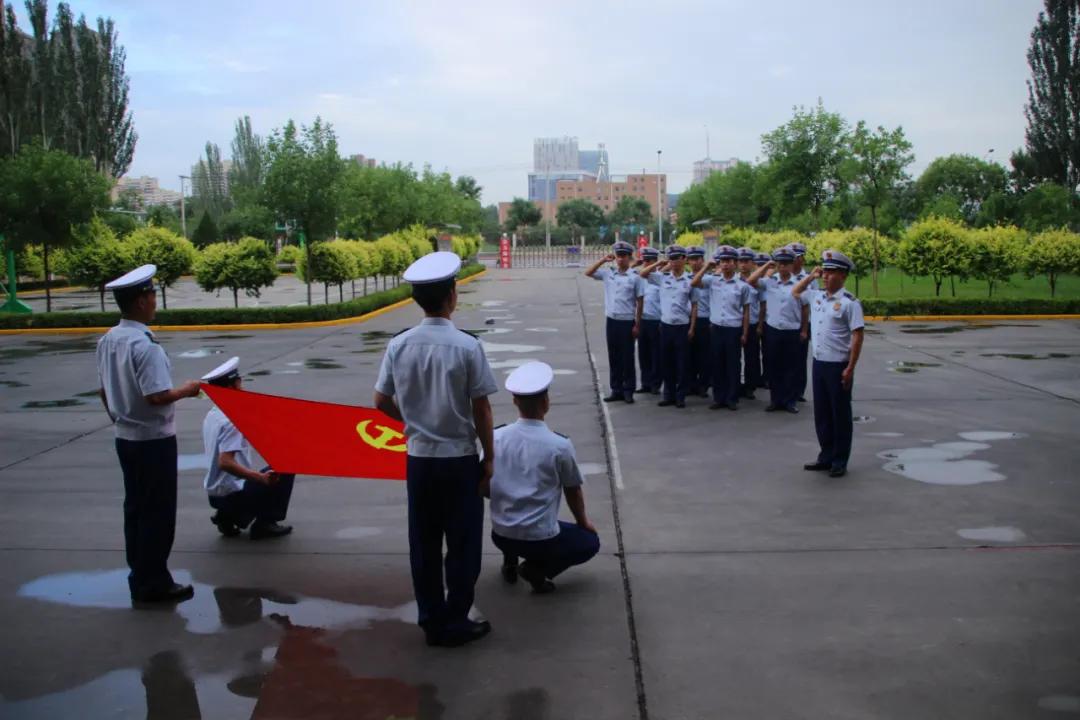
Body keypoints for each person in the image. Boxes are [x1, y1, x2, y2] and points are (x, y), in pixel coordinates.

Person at [373, 251, 498, 648]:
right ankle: (456, 618)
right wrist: (489, 457)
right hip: (459, 460)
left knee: (423, 542)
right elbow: (481, 406)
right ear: (452, 296)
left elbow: (380, 402)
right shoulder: (466, 347)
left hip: (420, 460)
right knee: (462, 544)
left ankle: (431, 619)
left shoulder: (399, 345)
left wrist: (411, 425)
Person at [96, 264, 201, 604]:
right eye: (153, 295)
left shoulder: (108, 340)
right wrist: (187, 390)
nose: (156, 301)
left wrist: (119, 417)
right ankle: (155, 581)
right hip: (153, 441)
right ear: (141, 301)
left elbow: (103, 391)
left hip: (125, 438)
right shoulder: (146, 346)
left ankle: (139, 576)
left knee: (136, 509)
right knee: (158, 512)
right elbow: (156, 396)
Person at [490, 361, 600, 594]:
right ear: (546, 403)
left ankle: (510, 560)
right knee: (590, 543)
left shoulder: (496, 437)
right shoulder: (559, 445)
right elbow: (573, 489)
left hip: (500, 534)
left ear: (514, 401)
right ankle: (536, 570)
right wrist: (583, 523)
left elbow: (484, 483)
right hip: (539, 537)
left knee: (513, 506)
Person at [201, 356, 296, 539]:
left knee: (273, 465)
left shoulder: (213, 414)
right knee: (287, 464)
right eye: (239, 383)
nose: (242, 386)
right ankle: (265, 522)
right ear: (231, 386)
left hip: (215, 494)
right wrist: (260, 478)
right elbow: (225, 462)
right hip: (233, 493)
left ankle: (226, 515)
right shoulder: (232, 419)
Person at [793, 250, 865, 478]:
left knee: (840, 414)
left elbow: (857, 336)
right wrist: (811, 276)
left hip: (838, 365)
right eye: (824, 272)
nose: (825, 276)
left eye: (831, 272)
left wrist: (850, 368)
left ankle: (840, 460)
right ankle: (826, 455)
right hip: (819, 363)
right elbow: (795, 292)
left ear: (843, 276)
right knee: (822, 413)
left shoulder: (849, 303)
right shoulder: (816, 296)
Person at [746, 246, 809, 414]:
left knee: (790, 367)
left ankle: (789, 401)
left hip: (792, 329)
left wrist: (804, 330)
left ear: (792, 264)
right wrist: (767, 265)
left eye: (787, 264)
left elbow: (805, 308)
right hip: (773, 329)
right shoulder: (770, 282)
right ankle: (775, 400)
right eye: (780, 263)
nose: (783, 267)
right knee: (774, 366)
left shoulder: (799, 284)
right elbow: (751, 281)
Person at [691, 245, 750, 410]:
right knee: (717, 364)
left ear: (735, 263)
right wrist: (706, 267)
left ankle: (732, 398)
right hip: (716, 328)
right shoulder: (713, 280)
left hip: (733, 329)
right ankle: (719, 398)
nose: (725, 264)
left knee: (733, 365)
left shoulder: (742, 285)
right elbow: (694, 282)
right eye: (723, 261)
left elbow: (746, 311)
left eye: (729, 261)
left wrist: (745, 333)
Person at [585, 241, 643, 403]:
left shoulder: (635, 277)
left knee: (627, 357)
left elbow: (640, 302)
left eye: (623, 256)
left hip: (627, 322)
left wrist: (637, 324)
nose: (620, 259)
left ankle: (628, 390)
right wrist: (603, 260)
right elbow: (588, 273)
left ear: (629, 257)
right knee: (614, 356)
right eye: (618, 256)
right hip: (612, 321)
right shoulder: (608, 273)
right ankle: (616, 389)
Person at [638, 245, 694, 408]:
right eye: (672, 258)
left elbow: (695, 305)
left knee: (682, 363)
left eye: (677, 258)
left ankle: (681, 395)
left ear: (684, 259)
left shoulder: (690, 280)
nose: (675, 261)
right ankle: (668, 394)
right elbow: (643, 273)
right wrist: (659, 264)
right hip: (666, 326)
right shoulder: (663, 278)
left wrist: (692, 328)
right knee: (667, 362)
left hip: (682, 326)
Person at [634, 246, 662, 394]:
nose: (646, 263)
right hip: (643, 320)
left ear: (655, 261)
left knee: (656, 354)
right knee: (643, 354)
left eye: (649, 260)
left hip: (657, 321)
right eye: (644, 260)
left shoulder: (661, 277)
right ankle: (645, 383)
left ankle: (655, 384)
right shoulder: (640, 277)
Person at [738, 247, 765, 399]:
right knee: (734, 357)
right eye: (740, 261)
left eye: (746, 261)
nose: (743, 264)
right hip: (736, 322)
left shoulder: (758, 282)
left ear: (752, 263)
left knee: (751, 357)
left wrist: (761, 324)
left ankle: (750, 386)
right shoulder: (733, 279)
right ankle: (735, 384)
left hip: (753, 322)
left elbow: (762, 304)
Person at [791, 241, 816, 403]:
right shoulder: (780, 275)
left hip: (803, 323)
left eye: (796, 257)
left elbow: (813, 301)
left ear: (802, 259)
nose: (793, 260)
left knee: (800, 360)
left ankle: (798, 391)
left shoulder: (809, 279)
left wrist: (805, 329)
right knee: (786, 360)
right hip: (786, 323)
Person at [686, 246, 712, 399]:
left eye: (698, 259)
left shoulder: (710, 278)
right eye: (692, 259)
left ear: (703, 260)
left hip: (704, 319)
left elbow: (697, 283)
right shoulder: (685, 277)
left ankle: (703, 385)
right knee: (689, 354)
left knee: (704, 355)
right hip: (688, 319)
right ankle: (691, 384)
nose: (695, 262)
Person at [753, 252, 771, 390]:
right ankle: (756, 378)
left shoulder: (770, 281)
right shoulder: (757, 280)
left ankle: (767, 377)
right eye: (758, 265)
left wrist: (760, 324)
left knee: (767, 352)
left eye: (764, 264)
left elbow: (764, 305)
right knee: (754, 352)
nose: (762, 267)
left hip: (767, 321)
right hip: (756, 320)